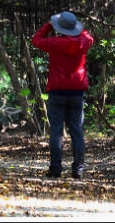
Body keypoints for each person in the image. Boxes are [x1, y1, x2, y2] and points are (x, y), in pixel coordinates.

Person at [31, 11, 94, 179]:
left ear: (60, 28)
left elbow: (36, 40)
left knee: (57, 131)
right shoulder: (83, 42)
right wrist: (78, 28)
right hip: (76, 93)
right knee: (77, 131)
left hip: (57, 92)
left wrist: (49, 25)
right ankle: (78, 169)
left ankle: (55, 168)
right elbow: (89, 36)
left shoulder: (54, 43)